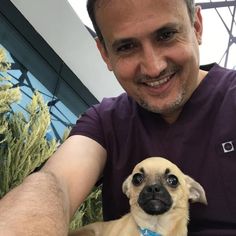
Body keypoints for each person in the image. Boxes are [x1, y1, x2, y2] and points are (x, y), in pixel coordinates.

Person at [0, 0, 236, 235]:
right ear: (105, 54)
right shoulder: (106, 121)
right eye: (126, 47)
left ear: (196, 26)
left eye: (166, 35)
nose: (153, 67)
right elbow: (55, 182)